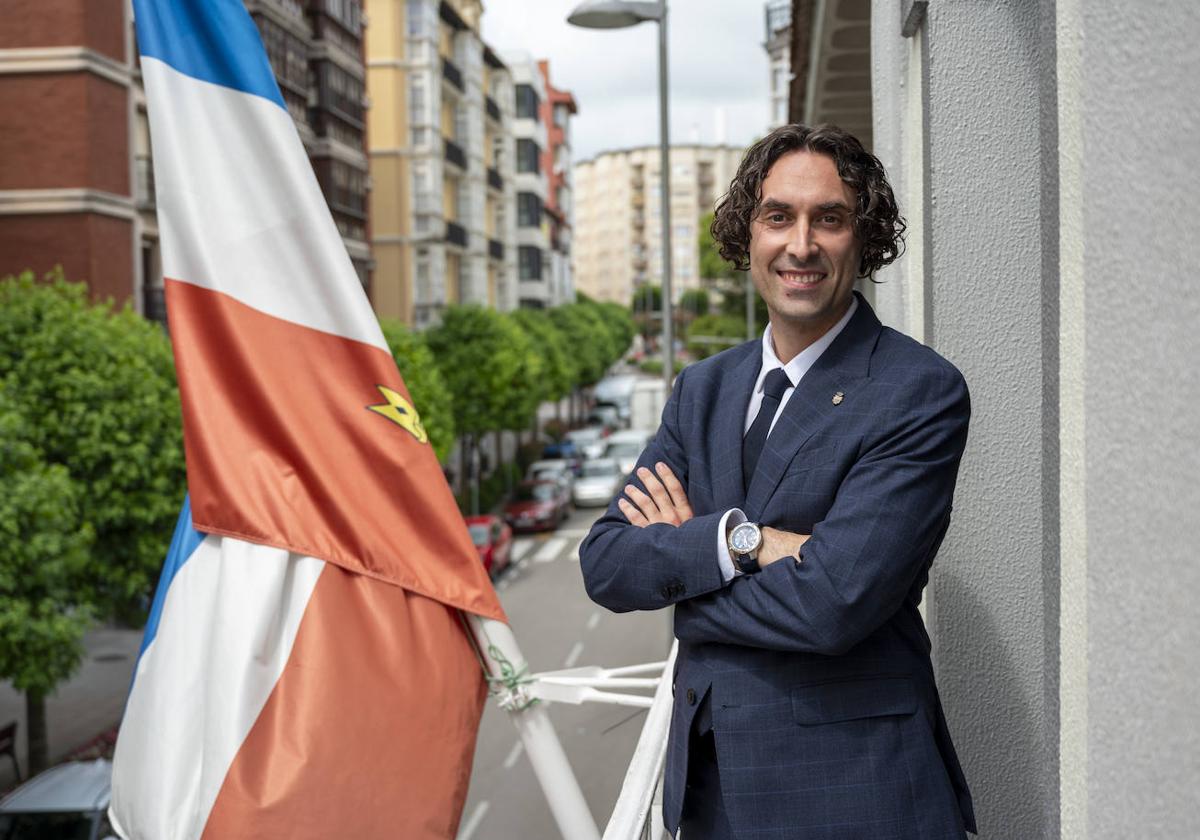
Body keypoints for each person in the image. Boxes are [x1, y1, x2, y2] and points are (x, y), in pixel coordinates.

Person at [579, 124, 976, 839]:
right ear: (747, 235)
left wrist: (689, 584)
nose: (801, 245)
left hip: (856, 796)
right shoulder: (702, 388)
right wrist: (745, 542)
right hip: (710, 797)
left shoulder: (917, 390)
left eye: (829, 218)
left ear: (865, 238)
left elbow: (833, 603)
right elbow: (607, 563)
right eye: (777, 217)